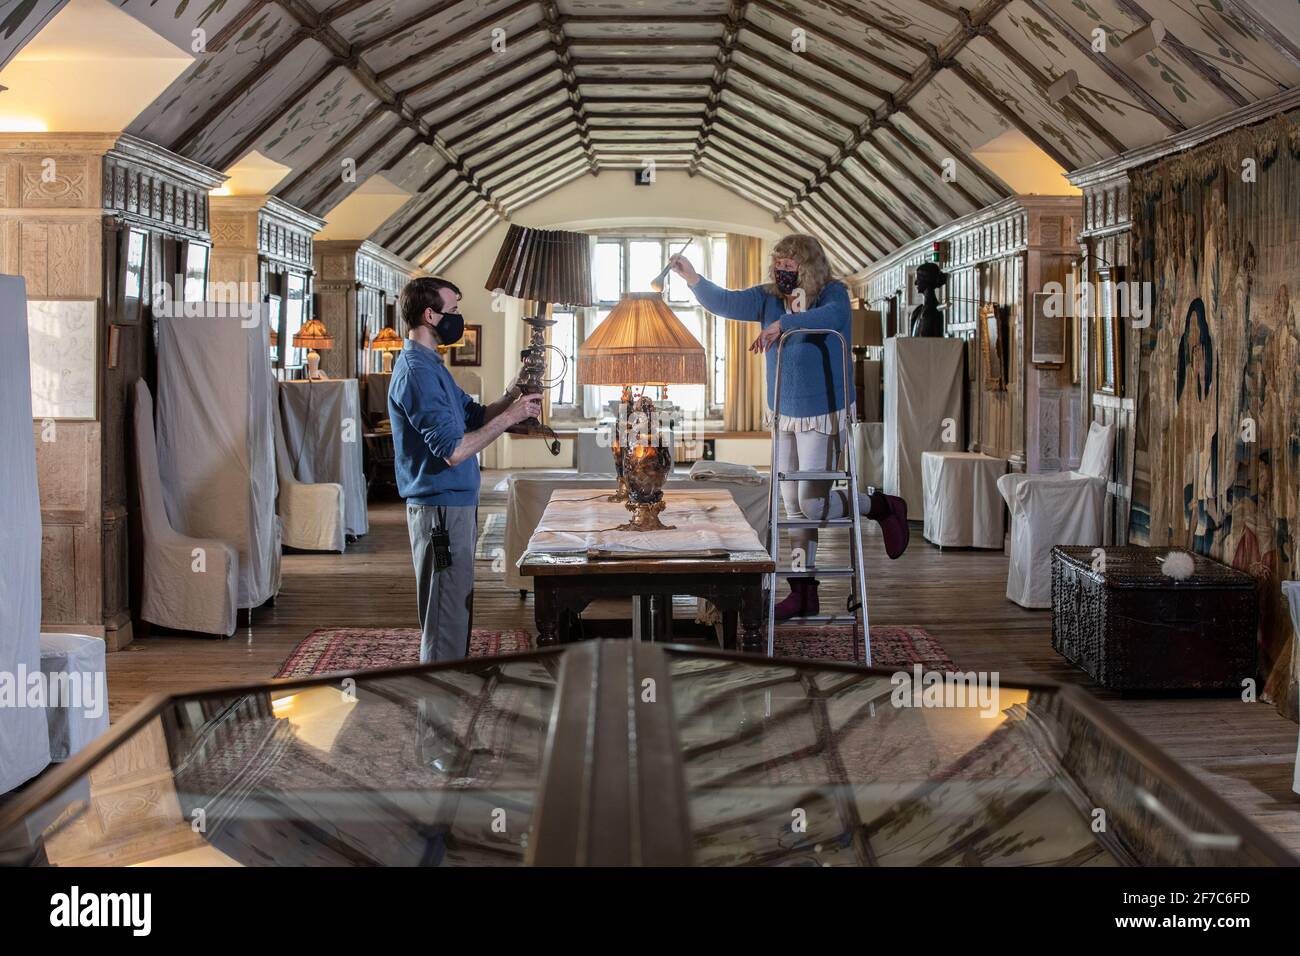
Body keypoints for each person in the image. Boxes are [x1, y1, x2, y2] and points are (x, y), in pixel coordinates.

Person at [669, 234, 909, 621]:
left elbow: (830, 320)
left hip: (821, 408)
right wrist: (693, 278)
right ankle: (802, 591)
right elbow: (726, 302)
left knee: (812, 502)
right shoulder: (767, 297)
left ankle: (879, 506)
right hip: (782, 409)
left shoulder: (833, 293)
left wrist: (783, 324)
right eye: (777, 262)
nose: (781, 271)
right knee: (792, 505)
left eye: (789, 264)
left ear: (809, 265)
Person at [388, 277, 540, 662]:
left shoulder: (431, 365)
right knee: (445, 607)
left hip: (453, 503)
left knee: (455, 600)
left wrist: (511, 394)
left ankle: (450, 681)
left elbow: (471, 416)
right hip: (440, 509)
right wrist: (512, 418)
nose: (458, 319)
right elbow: (454, 451)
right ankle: (441, 691)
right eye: (453, 311)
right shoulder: (417, 372)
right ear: (430, 314)